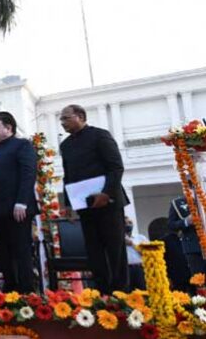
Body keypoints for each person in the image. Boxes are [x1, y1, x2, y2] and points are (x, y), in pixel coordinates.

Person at [59, 104, 129, 294]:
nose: (62, 123)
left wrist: (106, 193)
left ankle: (121, 296)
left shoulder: (100, 135)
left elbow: (116, 167)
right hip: (85, 205)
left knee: (115, 250)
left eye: (66, 118)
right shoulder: (65, 145)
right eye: (61, 119)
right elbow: (68, 175)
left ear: (80, 116)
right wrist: (69, 204)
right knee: (94, 252)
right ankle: (102, 295)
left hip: (108, 202)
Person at [0, 111, 37, 293]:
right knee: (4, 254)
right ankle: (10, 293)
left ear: (9, 128)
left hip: (18, 209)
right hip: (0, 212)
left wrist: (22, 202)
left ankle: (26, 293)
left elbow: (28, 173)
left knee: (21, 252)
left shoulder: (22, 145)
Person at [169, 195, 206, 277]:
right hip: (194, 247)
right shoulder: (178, 203)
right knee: (200, 279)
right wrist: (186, 221)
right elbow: (171, 225)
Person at [125, 216, 147, 290]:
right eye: (125, 223)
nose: (128, 225)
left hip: (140, 268)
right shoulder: (117, 240)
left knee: (143, 291)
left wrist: (132, 244)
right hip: (126, 269)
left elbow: (147, 254)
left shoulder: (141, 238)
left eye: (130, 222)